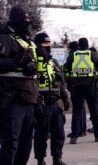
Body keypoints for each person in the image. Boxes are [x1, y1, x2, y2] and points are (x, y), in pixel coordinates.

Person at [0, 6, 37, 165]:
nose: (28, 22)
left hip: (28, 98)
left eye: (28, 19)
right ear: (16, 20)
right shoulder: (4, 39)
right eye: (25, 19)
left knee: (25, 145)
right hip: (11, 99)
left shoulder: (26, 41)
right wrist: (18, 61)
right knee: (10, 144)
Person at [33, 32, 69, 165]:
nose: (47, 46)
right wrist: (36, 104)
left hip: (55, 102)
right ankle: (40, 160)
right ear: (37, 44)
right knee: (42, 134)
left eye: (48, 43)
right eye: (44, 43)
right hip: (41, 102)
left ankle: (57, 158)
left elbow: (60, 82)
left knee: (59, 132)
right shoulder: (33, 61)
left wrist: (65, 98)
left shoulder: (53, 62)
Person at [64, 37, 98, 144]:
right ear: (87, 45)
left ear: (79, 45)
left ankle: (74, 137)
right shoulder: (92, 54)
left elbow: (66, 68)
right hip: (90, 85)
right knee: (94, 111)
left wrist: (70, 80)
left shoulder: (73, 55)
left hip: (77, 86)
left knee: (76, 112)